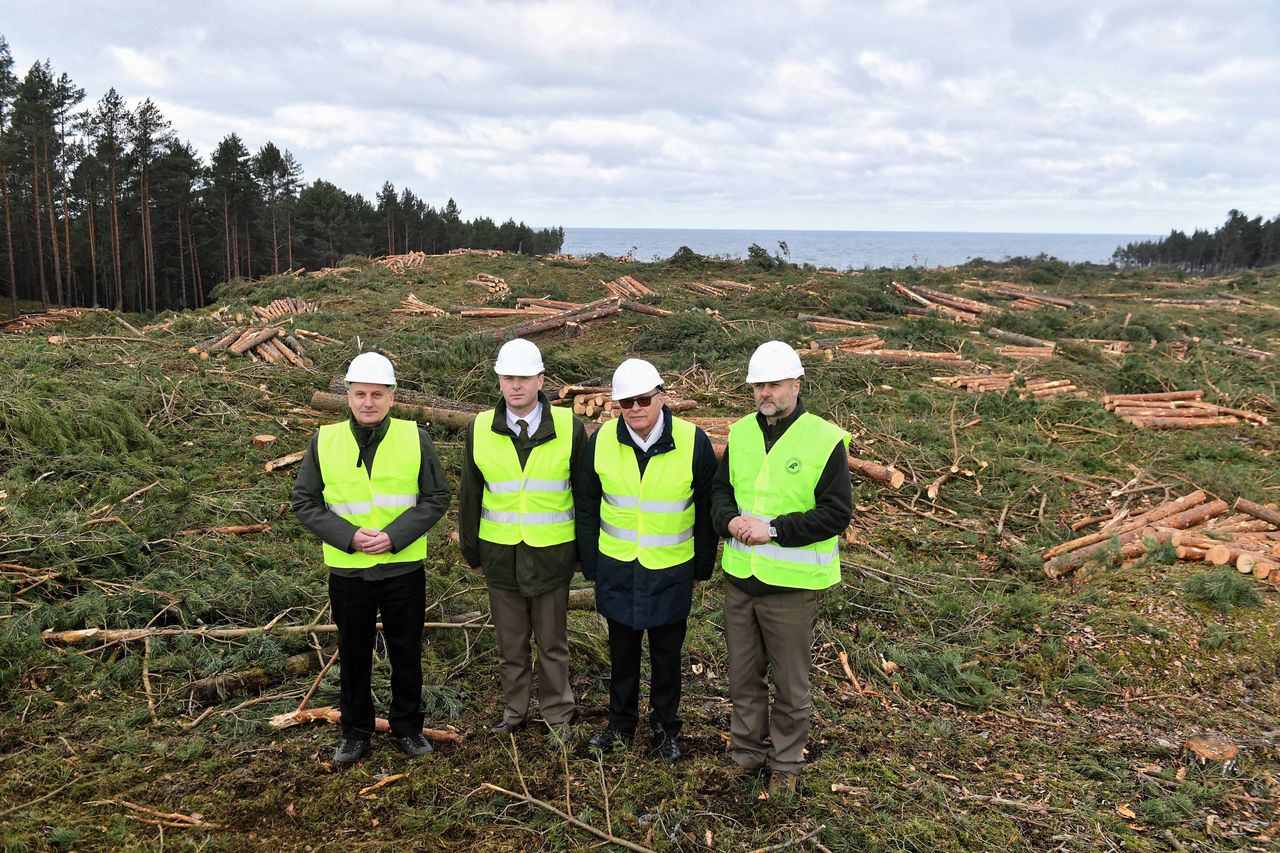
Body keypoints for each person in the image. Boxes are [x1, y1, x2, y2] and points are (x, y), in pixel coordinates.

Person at [291, 351, 452, 768]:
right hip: (348, 571)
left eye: (376, 394)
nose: (368, 402)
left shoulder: (415, 437)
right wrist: (348, 537)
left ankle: (408, 728)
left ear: (392, 396)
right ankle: (355, 732)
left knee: (406, 651)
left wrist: (394, 537)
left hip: (403, 569)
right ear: (347, 396)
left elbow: (436, 497)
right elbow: (305, 502)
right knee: (354, 651)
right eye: (360, 394)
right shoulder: (324, 440)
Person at [711, 340, 852, 796]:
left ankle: (787, 763)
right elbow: (719, 494)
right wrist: (729, 520)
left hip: (791, 587)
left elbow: (835, 513)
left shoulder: (823, 439)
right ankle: (745, 753)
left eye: (773, 384)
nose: (765, 393)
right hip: (741, 580)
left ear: (796, 383)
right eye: (758, 385)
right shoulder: (742, 433)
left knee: (791, 683)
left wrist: (772, 530)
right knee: (743, 676)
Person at [576, 359, 718, 762]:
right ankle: (620, 725)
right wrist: (592, 564)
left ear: (661, 397)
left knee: (666, 657)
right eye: (626, 402)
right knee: (621, 655)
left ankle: (665, 728)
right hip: (618, 567)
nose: (635, 408)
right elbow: (586, 505)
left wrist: (700, 569)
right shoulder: (602, 440)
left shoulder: (694, 441)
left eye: (643, 399)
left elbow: (708, 509)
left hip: (670, 570)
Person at [459, 338, 586, 737]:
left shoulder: (570, 427)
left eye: (525, 378)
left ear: (540, 380)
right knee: (511, 646)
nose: (516, 385)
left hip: (552, 557)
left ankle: (558, 715)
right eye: (509, 377)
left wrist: (583, 553)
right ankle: (515, 713)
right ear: (498, 380)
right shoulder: (479, 428)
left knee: (552, 644)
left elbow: (584, 495)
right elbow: (470, 495)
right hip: (500, 557)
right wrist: (471, 551)